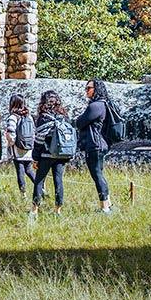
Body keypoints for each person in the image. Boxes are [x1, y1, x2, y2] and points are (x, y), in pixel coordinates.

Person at [30, 90, 69, 218]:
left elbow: (39, 139)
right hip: (61, 154)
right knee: (58, 181)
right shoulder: (63, 115)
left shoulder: (43, 117)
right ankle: (58, 210)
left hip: (46, 155)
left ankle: (35, 210)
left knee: (39, 180)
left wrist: (35, 157)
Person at [76, 79, 112, 213]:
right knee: (99, 174)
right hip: (102, 144)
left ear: (96, 89)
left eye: (89, 88)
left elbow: (79, 122)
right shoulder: (104, 105)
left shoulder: (95, 106)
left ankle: (105, 208)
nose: (86, 90)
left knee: (97, 175)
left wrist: (79, 120)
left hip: (94, 145)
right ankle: (108, 203)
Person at [2, 94, 35, 197]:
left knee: (20, 171)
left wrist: (11, 143)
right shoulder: (28, 116)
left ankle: (23, 194)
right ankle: (40, 186)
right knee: (29, 169)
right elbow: (33, 132)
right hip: (29, 148)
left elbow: (11, 135)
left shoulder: (12, 117)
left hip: (18, 148)